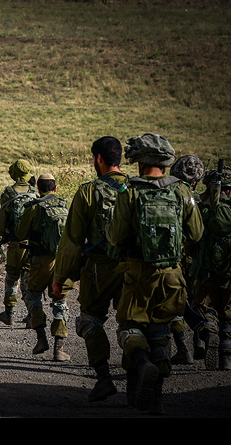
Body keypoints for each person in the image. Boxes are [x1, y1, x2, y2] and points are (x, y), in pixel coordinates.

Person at [106, 133, 203, 414]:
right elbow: (197, 233)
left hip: (137, 272)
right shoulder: (182, 191)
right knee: (160, 333)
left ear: (140, 161)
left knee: (129, 326)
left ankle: (141, 365)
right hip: (172, 274)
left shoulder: (130, 191)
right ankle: (156, 399)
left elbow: (115, 236)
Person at [52, 137, 128, 401]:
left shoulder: (87, 192)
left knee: (89, 320)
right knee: (132, 324)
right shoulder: (135, 189)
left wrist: (61, 277)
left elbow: (72, 241)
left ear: (98, 159)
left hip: (98, 269)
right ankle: (141, 370)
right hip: (133, 270)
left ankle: (105, 378)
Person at [15, 173, 71, 361]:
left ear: (37, 189)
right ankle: (59, 349)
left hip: (39, 262)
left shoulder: (34, 208)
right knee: (60, 302)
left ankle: (41, 339)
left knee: (33, 296)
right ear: (55, 189)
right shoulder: (64, 205)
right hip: (62, 262)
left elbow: (20, 233)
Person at [191, 165, 231, 371]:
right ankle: (226, 356)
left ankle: (209, 334)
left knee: (204, 308)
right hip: (229, 276)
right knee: (228, 314)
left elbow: (193, 237)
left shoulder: (202, 209)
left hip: (205, 273)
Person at [168, 154, 205, 365]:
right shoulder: (199, 199)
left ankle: (183, 348)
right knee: (196, 300)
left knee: (176, 304)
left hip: (179, 260)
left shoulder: (173, 195)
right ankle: (201, 340)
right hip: (200, 262)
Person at [0, 159, 38, 326]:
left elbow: (1, 224)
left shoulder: (8, 193)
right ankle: (32, 314)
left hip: (15, 244)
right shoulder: (35, 192)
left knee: (12, 278)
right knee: (28, 279)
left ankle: (9, 314)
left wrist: (1, 234)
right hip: (32, 245)